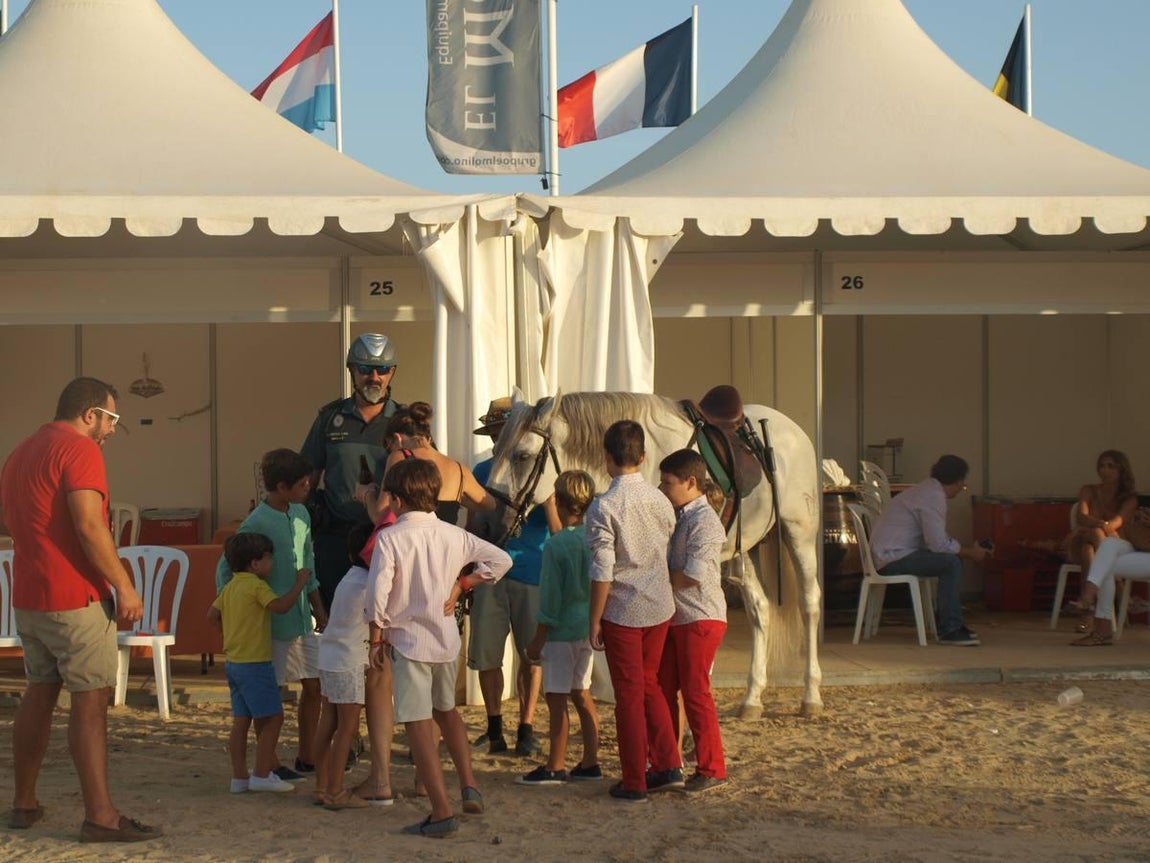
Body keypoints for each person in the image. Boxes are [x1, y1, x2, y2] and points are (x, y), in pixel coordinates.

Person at [0, 377, 162, 843]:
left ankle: (24, 803)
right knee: (90, 703)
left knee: (39, 692)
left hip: (30, 594)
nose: (112, 429)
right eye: (112, 419)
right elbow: (90, 525)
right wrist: (124, 585)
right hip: (76, 596)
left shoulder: (21, 451)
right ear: (89, 414)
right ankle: (101, 816)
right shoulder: (80, 450)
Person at [366, 459, 512, 838]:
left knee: (418, 725)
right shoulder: (453, 534)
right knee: (446, 712)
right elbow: (502, 560)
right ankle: (469, 785)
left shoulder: (390, 537)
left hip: (409, 641)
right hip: (446, 639)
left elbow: (377, 594)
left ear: (396, 499)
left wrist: (375, 638)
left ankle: (441, 811)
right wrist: (465, 583)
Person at [586, 420, 682, 803]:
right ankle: (668, 764)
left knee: (628, 693)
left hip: (623, 608)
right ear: (643, 457)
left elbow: (602, 569)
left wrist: (594, 617)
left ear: (607, 458)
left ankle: (634, 780)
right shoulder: (661, 499)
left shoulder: (604, 505)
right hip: (659, 603)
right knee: (650, 684)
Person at [216, 449, 327, 780]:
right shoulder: (255, 523)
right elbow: (227, 571)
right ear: (281, 486)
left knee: (314, 685)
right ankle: (271, 762)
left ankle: (307, 756)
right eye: (303, 484)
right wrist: (234, 614)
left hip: (300, 618)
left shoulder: (302, 514)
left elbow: (309, 565)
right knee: (270, 696)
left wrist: (319, 608)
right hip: (270, 625)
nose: (309, 487)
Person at [469, 397, 558, 757]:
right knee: (487, 655)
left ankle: (526, 727)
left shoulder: (541, 469)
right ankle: (494, 727)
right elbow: (472, 526)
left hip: (530, 571)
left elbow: (557, 527)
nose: (497, 439)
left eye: (501, 432)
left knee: (530, 656)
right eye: (493, 433)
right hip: (490, 574)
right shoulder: (481, 472)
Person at [301, 333, 400, 613]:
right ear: (352, 371)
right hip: (335, 540)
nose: (374, 377)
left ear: (392, 372)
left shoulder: (403, 422)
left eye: (382, 369)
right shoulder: (330, 419)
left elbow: (426, 481)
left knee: (386, 622)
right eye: (365, 369)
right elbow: (306, 478)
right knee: (336, 621)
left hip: (387, 540)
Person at [209, 533, 312, 795]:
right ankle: (263, 773)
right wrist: (300, 584)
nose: (272, 564)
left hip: (234, 662)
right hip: (255, 663)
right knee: (274, 718)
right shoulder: (256, 586)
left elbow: (212, 615)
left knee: (241, 720)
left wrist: (229, 633)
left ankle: (239, 777)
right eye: (269, 559)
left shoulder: (230, 586)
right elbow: (280, 607)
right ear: (255, 564)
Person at [518, 470, 601, 786]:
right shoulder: (594, 537)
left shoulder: (557, 545)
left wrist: (538, 638)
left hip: (561, 631)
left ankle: (555, 764)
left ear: (561, 502)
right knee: (582, 693)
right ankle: (591, 760)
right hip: (586, 627)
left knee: (556, 700)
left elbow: (550, 598)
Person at [656, 449, 730, 793]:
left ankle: (712, 768)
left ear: (691, 482)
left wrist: (656, 577)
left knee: (695, 692)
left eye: (668, 482)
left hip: (699, 615)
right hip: (681, 615)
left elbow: (693, 576)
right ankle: (669, 763)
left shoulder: (705, 522)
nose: (662, 487)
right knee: (665, 689)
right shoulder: (685, 516)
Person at [869, 454, 989, 646]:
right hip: (892, 558)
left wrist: (962, 551)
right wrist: (970, 553)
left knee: (952, 560)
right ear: (958, 481)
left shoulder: (924, 490)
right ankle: (950, 628)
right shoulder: (933, 497)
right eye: (963, 485)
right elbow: (938, 544)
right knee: (951, 563)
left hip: (889, 554)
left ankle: (952, 621)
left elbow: (933, 541)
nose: (961, 489)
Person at [313, 523, 377, 810]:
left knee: (328, 723)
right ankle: (337, 791)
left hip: (329, 657)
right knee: (347, 729)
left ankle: (322, 786)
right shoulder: (368, 584)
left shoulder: (349, 577)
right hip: (348, 661)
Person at [1070, 505, 1150, 646]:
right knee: (1108, 545)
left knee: (1104, 564)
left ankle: (1100, 626)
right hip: (1141, 550)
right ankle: (1091, 592)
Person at [1064, 450, 1137, 580]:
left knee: (1088, 551)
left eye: (1110, 466)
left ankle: (1087, 598)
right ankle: (1119, 587)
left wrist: (1093, 527)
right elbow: (1082, 516)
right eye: (1102, 466)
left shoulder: (1129, 498)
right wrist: (1101, 525)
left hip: (1116, 546)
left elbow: (1116, 523)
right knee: (1095, 535)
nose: (1105, 470)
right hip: (1082, 540)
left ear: (1122, 470)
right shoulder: (1088, 490)